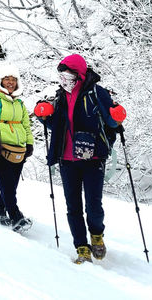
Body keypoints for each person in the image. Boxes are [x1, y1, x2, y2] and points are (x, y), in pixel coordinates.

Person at [36, 54, 120, 264]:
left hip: (93, 158)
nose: (64, 80)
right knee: (73, 206)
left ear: (79, 74)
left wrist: (116, 115)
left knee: (93, 205)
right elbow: (57, 125)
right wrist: (44, 116)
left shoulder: (97, 93)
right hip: (67, 160)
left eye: (67, 75)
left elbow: (111, 122)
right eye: (61, 76)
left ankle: (97, 235)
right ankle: (82, 248)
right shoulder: (60, 96)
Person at [0, 66, 34, 232]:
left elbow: (26, 125)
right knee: (7, 185)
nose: (11, 83)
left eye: (13, 80)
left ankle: (0, 210)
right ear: (0, 81)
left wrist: (29, 143)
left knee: (11, 184)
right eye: (7, 79)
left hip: (18, 149)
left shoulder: (20, 103)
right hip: (1, 148)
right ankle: (15, 216)